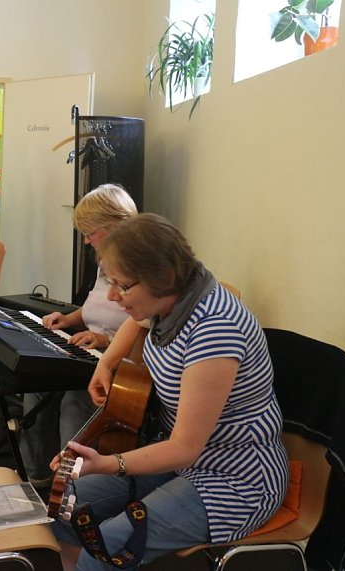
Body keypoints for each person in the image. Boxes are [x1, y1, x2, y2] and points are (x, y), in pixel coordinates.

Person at [52, 213, 288, 571]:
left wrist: (107, 464)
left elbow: (184, 448)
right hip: (180, 462)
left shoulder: (215, 331)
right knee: (67, 506)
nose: (114, 296)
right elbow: (137, 319)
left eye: (123, 286)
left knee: (106, 546)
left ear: (163, 279)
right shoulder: (175, 298)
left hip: (234, 479)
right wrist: (106, 364)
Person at [20, 184, 137, 487]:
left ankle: (73, 485)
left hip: (121, 363)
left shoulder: (140, 267)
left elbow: (145, 329)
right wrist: (67, 319)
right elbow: (92, 309)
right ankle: (38, 475)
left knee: (75, 397)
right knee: (36, 382)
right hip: (91, 351)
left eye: (90, 232)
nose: (86, 240)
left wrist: (105, 342)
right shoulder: (106, 262)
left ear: (115, 226)